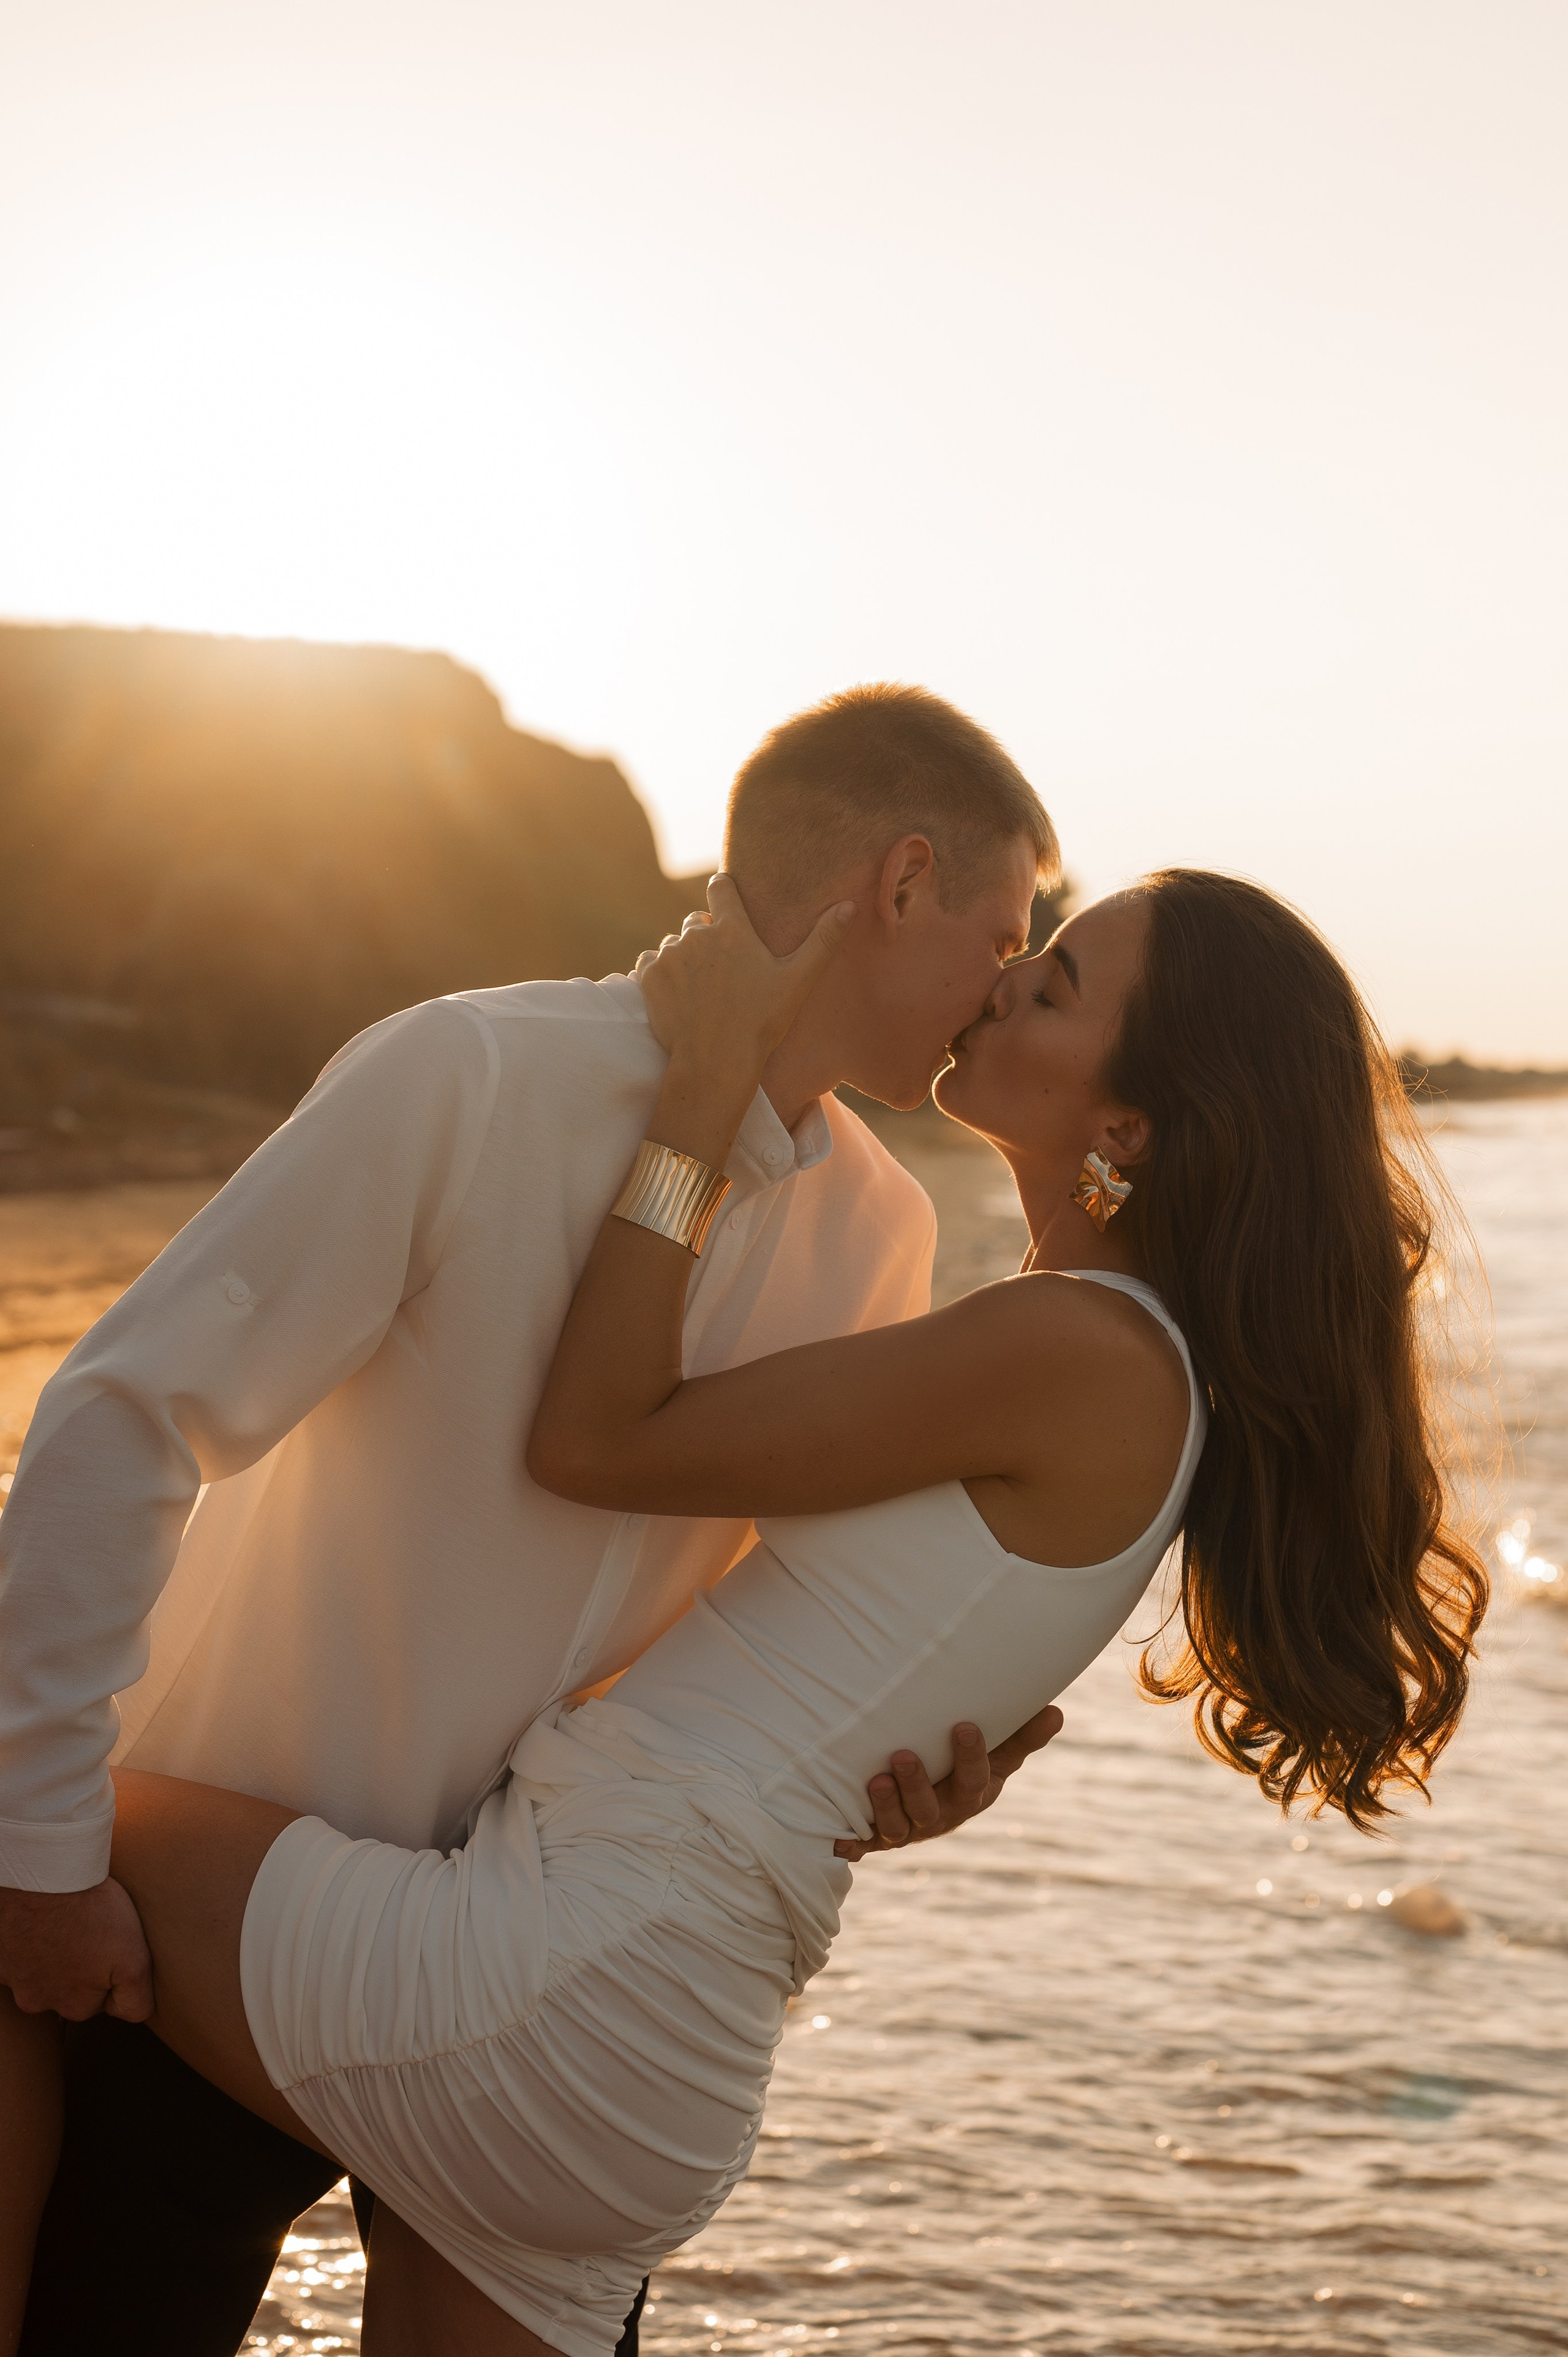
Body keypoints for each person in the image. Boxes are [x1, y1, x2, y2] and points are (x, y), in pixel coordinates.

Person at [1, 864, 1487, 2356]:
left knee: (35, 1824)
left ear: (1126, 1126)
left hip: (556, 1974)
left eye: (1057, 985)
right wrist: (889, 1772)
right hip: (651, 2048)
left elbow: (596, 1440)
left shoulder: (1075, 1346)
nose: (1006, 983)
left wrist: (700, 1093)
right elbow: (832, 1632)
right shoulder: (1107, 1359)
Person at [0, 684, 1068, 2357]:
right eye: (1009, 929)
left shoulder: (879, 1235)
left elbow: (801, 1622)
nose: (1008, 983)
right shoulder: (476, 1071)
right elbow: (123, 1417)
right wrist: (42, 1844)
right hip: (210, 1922)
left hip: (542, 1966)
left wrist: (909, 1767)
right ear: (904, 881)